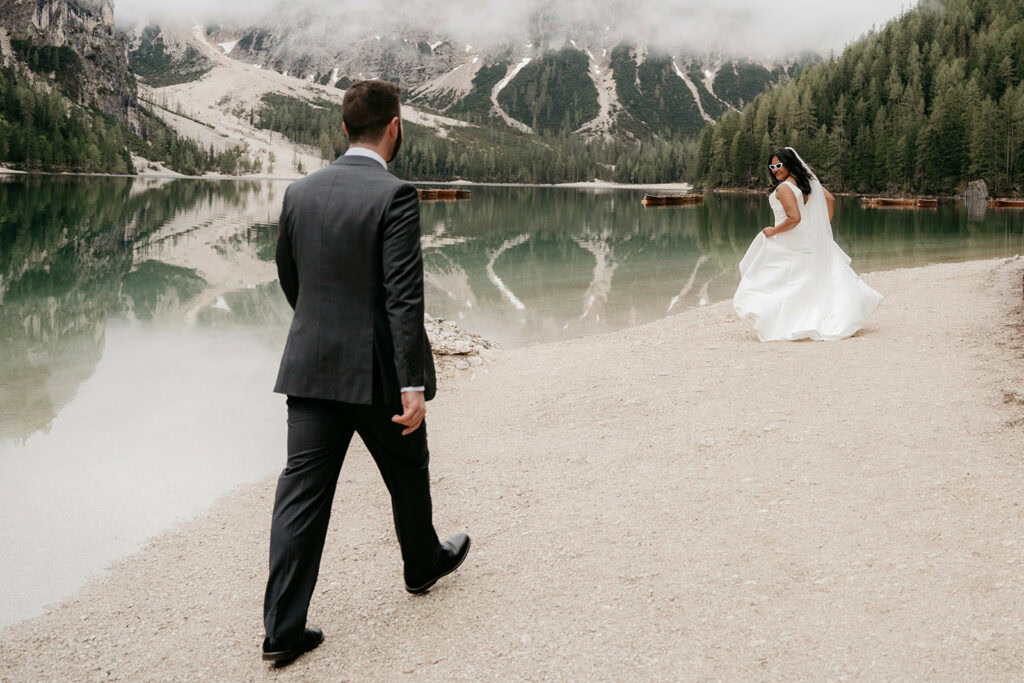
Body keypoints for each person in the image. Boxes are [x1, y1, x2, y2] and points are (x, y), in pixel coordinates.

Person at [261, 80, 470, 666]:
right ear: (395, 127)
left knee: (300, 496)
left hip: (310, 369)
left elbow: (290, 277)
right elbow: (404, 297)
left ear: (343, 129)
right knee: (408, 469)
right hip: (377, 374)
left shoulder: (299, 192)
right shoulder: (395, 194)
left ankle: (282, 631)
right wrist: (412, 384)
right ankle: (421, 565)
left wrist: (318, 331)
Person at [732, 147, 882, 341]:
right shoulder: (807, 184)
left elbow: (794, 218)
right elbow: (830, 200)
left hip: (788, 239)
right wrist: (820, 228)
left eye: (778, 165)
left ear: (788, 164)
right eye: (772, 167)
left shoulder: (784, 188)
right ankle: (810, 319)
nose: (775, 170)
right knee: (803, 281)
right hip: (807, 238)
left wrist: (773, 231)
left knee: (767, 279)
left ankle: (782, 321)